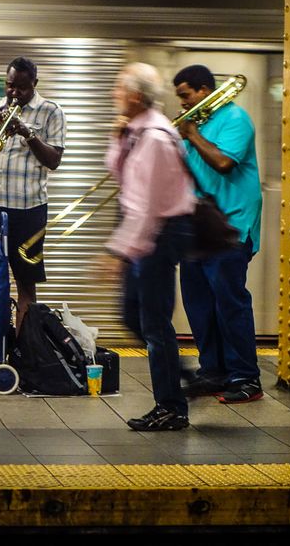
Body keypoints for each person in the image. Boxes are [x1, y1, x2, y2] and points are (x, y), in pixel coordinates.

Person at [101, 62, 195, 431]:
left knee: (154, 324)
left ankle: (172, 406)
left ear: (136, 96)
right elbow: (119, 175)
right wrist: (116, 138)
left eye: (119, 89)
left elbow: (146, 206)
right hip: (146, 234)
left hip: (159, 234)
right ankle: (183, 378)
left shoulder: (155, 137)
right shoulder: (137, 132)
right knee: (131, 315)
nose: (114, 95)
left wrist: (118, 253)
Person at [173, 65, 264, 404]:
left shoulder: (235, 119)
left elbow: (224, 163)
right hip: (198, 228)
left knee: (230, 303)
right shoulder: (193, 127)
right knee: (199, 304)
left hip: (232, 226)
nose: (182, 103)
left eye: (186, 95)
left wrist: (192, 134)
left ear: (204, 90)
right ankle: (214, 370)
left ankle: (246, 377)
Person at [0, 57, 66, 325]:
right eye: (10, 86)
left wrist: (27, 134)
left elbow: (53, 160)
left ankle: (24, 349)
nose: (14, 93)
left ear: (35, 83)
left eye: (21, 87)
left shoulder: (51, 112)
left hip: (28, 211)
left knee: (26, 282)